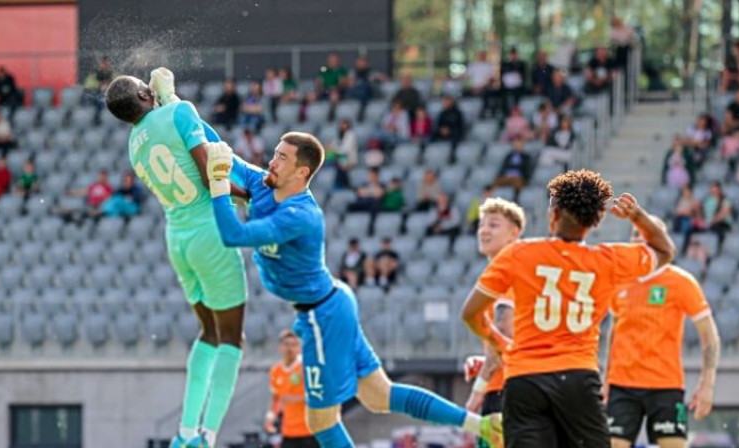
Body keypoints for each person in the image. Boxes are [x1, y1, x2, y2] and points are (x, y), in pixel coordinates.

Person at [206, 131, 496, 448]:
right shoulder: (264, 184)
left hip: (322, 316)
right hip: (330, 303)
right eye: (275, 154)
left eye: (282, 157)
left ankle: (480, 425)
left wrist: (220, 187)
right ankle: (480, 425)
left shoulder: (302, 215)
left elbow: (233, 235)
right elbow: (220, 149)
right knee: (379, 395)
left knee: (320, 421)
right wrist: (177, 106)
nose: (272, 161)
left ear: (302, 171)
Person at [461, 169, 676, 448]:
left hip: (525, 379)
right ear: (595, 220)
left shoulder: (518, 254)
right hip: (578, 379)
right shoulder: (609, 260)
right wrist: (637, 216)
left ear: (555, 214)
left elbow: (470, 313)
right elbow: (665, 250)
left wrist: (499, 342)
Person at [104, 70, 249, 448]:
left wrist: (169, 100)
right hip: (209, 233)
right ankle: (208, 436)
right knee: (232, 338)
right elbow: (209, 175)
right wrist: (250, 195)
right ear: (143, 92)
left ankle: (184, 434)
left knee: (209, 334)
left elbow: (167, 134)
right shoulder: (180, 111)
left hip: (178, 239)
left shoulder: (134, 144)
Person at [604, 217, 720, 448]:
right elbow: (614, 330)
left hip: (665, 385)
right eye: (634, 235)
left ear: (659, 240)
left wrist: (707, 384)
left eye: (644, 234)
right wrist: (606, 378)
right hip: (622, 385)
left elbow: (709, 336)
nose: (638, 240)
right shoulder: (619, 282)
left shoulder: (681, 282)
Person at [462, 198, 526, 448]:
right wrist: (484, 360)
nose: (484, 230)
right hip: (521, 384)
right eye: (482, 224)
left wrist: (477, 392)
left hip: (503, 392)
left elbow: (502, 338)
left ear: (514, 234)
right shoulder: (515, 272)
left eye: (494, 225)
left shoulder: (505, 276)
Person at [265, 330, 318, 448]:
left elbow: (317, 396)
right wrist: (271, 415)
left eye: (294, 345)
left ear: (299, 347)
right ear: (280, 347)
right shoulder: (275, 371)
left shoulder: (307, 368)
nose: (290, 348)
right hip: (289, 431)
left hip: (310, 431)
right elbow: (277, 397)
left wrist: (293, 399)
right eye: (286, 344)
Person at [500, 47, 527, 113]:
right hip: (507, 88)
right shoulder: (505, 64)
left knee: (517, 97)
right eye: (512, 54)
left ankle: (517, 113)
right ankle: (506, 113)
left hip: (518, 88)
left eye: (514, 54)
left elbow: (522, 76)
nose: (513, 56)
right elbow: (503, 76)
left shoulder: (521, 64)